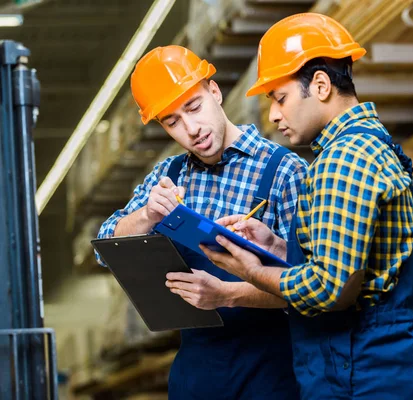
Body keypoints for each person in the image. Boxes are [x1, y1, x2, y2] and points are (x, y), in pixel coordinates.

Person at [199, 13, 413, 400]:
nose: (274, 115)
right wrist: (276, 247)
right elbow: (351, 259)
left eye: (280, 98)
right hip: (381, 366)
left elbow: (330, 288)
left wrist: (249, 271)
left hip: (362, 374)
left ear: (322, 85)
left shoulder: (343, 160)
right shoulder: (368, 144)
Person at [95, 45, 308, 400]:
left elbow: (309, 288)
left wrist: (226, 295)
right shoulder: (169, 175)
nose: (191, 129)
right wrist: (148, 214)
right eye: (172, 121)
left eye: (194, 107)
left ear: (215, 91)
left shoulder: (284, 172)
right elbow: (106, 247)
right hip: (197, 376)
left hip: (272, 374)